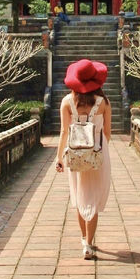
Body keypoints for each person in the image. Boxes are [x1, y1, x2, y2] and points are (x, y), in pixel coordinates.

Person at [56, 58, 112, 259]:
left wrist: (59, 157)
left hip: (74, 153)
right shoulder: (104, 102)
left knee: (80, 195)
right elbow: (107, 133)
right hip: (97, 153)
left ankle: (83, 239)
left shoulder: (67, 102)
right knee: (93, 198)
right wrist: (96, 149)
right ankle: (89, 243)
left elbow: (64, 131)